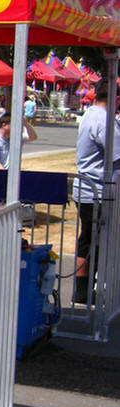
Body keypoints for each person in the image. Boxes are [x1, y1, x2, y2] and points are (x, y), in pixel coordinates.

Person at [72, 76, 120, 304]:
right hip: (96, 191)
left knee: (91, 241)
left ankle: (83, 290)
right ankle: (82, 291)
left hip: (91, 189)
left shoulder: (92, 114)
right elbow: (117, 157)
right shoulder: (103, 119)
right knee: (93, 242)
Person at [0, 112, 37, 189]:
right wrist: (9, 179)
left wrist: (26, 124)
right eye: (15, 124)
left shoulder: (14, 137)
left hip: (7, 177)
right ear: (4, 125)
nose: (19, 127)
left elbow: (33, 137)